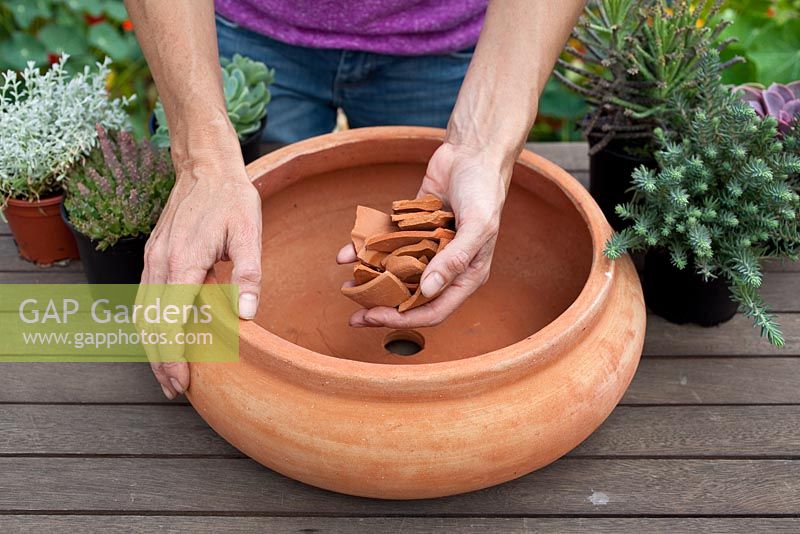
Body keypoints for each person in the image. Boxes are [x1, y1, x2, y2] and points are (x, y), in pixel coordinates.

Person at [124, 0, 586, 399]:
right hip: (247, 28)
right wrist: (202, 160)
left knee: (454, 231)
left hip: (458, 41)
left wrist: (481, 145)